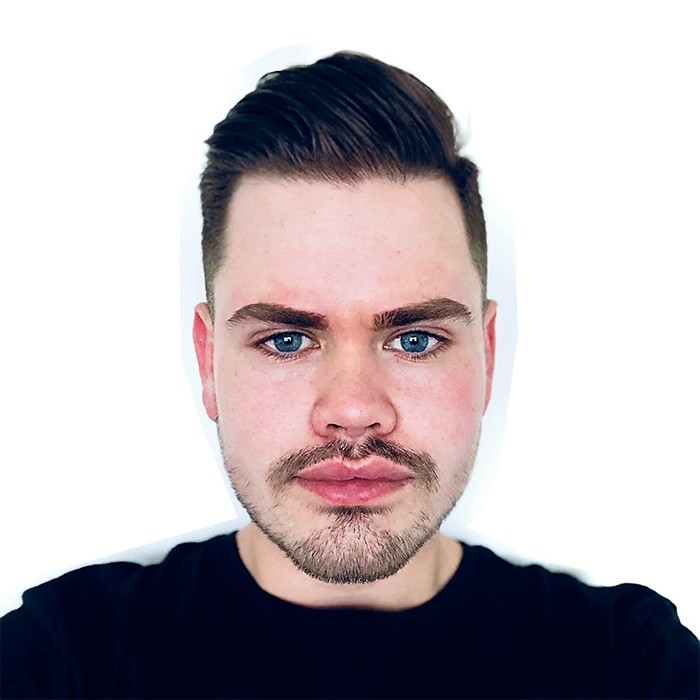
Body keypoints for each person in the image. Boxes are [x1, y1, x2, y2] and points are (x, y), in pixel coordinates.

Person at [1, 50, 698, 700]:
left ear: (487, 354)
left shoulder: (629, 666)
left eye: (415, 339)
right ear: (208, 362)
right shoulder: (62, 661)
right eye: (287, 340)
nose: (355, 409)